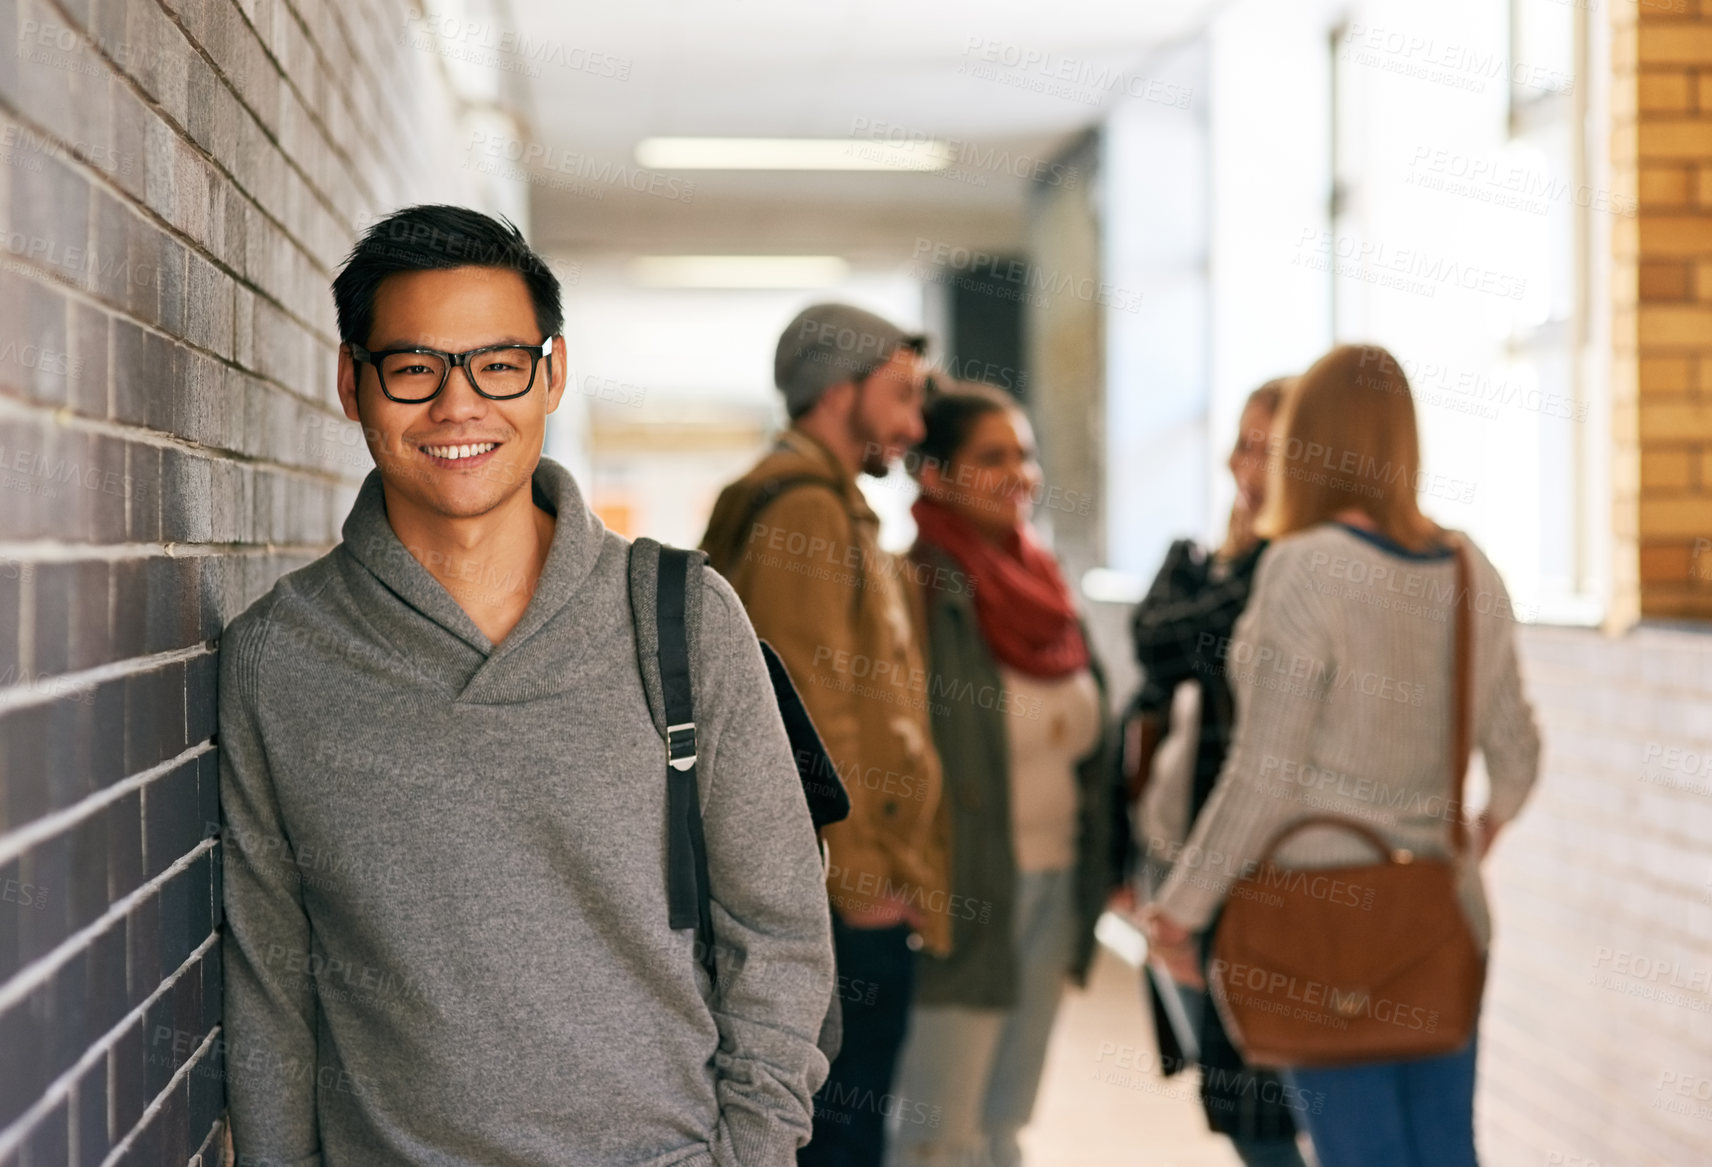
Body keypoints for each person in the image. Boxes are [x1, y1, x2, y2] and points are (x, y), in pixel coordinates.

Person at [219, 205, 835, 1167]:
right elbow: (269, 989)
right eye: (415, 367)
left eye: (498, 363)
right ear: (352, 382)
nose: (459, 406)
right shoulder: (277, 658)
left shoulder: (682, 617)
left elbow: (779, 929)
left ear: (550, 372)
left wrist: (751, 1153)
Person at [1142, 344, 1542, 1167]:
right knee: (1444, 1151)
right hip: (1442, 912)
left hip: (1316, 921)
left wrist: (1181, 907)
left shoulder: (1304, 568)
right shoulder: (1472, 566)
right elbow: (1519, 757)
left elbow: (1265, 771)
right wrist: (1460, 843)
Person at [700, 304, 950, 1167]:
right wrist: (863, 880)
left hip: (845, 885)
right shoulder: (804, 510)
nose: (915, 424)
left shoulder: (830, 505)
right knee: (840, 1137)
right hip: (840, 896)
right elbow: (807, 723)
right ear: (839, 391)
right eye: (902, 395)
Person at [886, 382, 1117, 1167]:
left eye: (1024, 452)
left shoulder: (1050, 591)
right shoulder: (915, 589)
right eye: (992, 456)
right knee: (935, 1130)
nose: (1020, 471)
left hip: (1054, 883)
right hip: (963, 888)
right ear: (935, 474)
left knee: (1004, 1117)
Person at [1126, 379, 1309, 1167]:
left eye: (1270, 446)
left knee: (1262, 1098)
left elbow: (1180, 639)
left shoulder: (1295, 570)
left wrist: (1245, 556)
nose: (1246, 463)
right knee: (1231, 1085)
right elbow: (1156, 650)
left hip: (1264, 865)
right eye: (1242, 442)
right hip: (1190, 849)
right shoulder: (1218, 560)